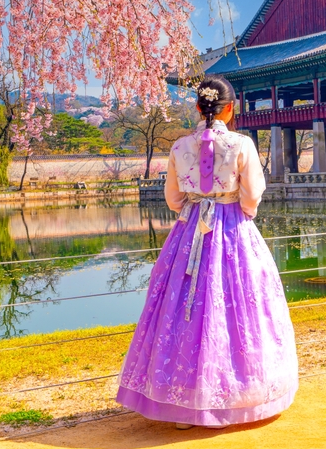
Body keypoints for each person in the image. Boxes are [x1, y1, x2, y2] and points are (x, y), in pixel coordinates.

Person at [116, 75, 298, 430]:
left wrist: (195, 205)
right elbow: (253, 194)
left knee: (183, 309)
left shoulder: (179, 147)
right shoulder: (241, 145)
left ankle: (181, 400)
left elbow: (172, 198)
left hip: (189, 229)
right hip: (232, 229)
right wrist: (241, 210)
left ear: (198, 107)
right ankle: (241, 396)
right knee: (239, 308)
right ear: (230, 109)